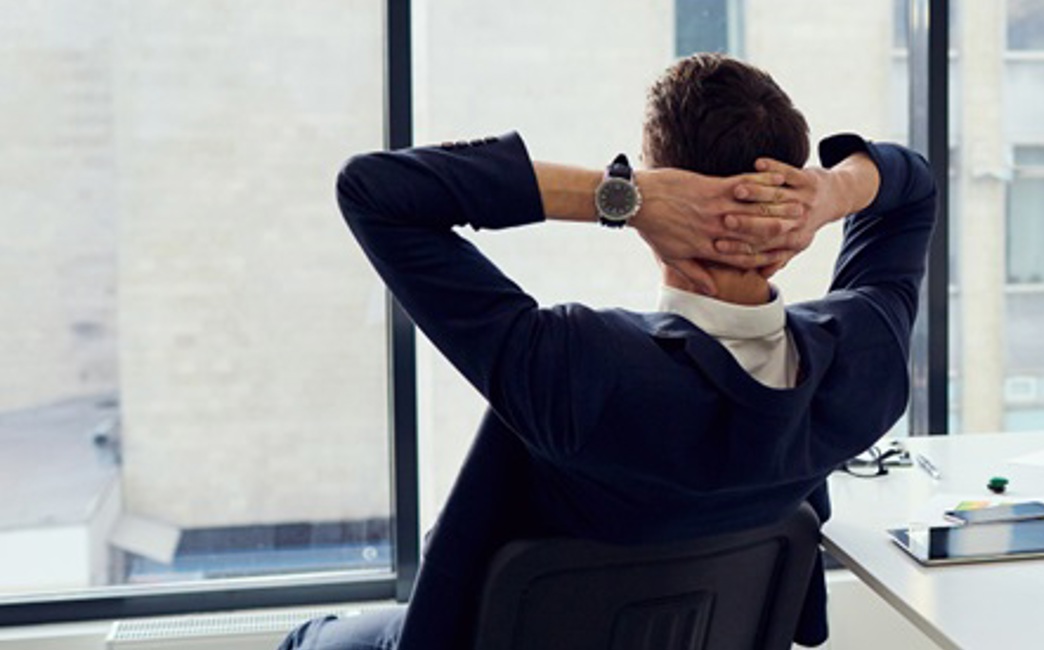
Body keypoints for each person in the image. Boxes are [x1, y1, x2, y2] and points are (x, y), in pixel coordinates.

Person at [279, 53, 936, 650]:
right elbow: (914, 188)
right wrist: (830, 195)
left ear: (664, 189)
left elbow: (375, 190)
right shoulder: (863, 357)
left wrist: (620, 196)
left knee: (310, 637)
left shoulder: (581, 365)